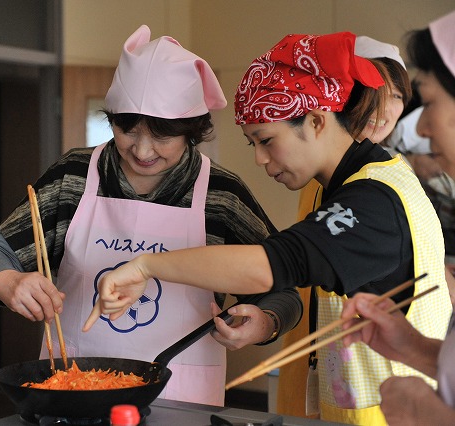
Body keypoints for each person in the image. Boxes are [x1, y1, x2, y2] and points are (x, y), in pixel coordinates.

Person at [84, 31, 453, 425]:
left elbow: (271, 264)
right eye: (252, 144)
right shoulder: (355, 181)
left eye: (267, 140)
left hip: (399, 412)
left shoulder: (373, 197)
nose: (260, 158)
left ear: (316, 121)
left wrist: (146, 266)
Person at [0, 24, 303, 406]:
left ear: (192, 131)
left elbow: (284, 292)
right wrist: (8, 281)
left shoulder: (221, 195)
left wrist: (265, 323)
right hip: (75, 388)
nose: (142, 151)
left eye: (162, 136)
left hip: (182, 397)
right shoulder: (73, 176)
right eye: (127, 129)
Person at [276, 35, 414, 418]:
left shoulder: (390, 177)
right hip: (315, 340)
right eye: (371, 91)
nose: (383, 108)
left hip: (370, 362)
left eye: (396, 96)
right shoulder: (322, 170)